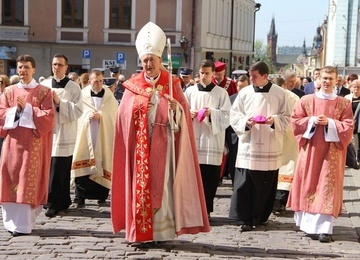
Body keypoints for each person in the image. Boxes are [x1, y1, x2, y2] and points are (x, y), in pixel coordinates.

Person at [111, 21, 210, 243]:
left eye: (152, 60)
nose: (148, 64)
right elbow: (122, 117)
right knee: (140, 188)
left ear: (160, 61)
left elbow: (183, 114)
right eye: (145, 60)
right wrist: (138, 114)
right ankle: (140, 234)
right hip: (140, 147)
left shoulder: (172, 84)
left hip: (165, 145)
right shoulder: (132, 86)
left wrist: (177, 111)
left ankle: (162, 233)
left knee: (163, 190)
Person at [288, 66, 353, 243]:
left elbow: (348, 127)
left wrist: (330, 123)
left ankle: (325, 228)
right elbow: (295, 121)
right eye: (324, 78)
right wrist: (311, 120)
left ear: (336, 81)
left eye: (331, 79)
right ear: (318, 79)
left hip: (332, 153)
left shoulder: (343, 103)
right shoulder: (306, 100)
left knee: (327, 186)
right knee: (309, 183)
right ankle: (309, 225)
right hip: (310, 151)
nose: (327, 82)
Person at [228, 61, 291, 231]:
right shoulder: (245, 93)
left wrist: (274, 121)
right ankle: (245, 218)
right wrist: (246, 123)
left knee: (265, 185)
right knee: (245, 183)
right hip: (249, 144)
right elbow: (234, 115)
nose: (251, 79)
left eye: (254, 76)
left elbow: (287, 117)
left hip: (270, 144)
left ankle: (261, 216)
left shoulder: (279, 93)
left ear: (265, 76)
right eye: (250, 76)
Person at [0, 54, 54, 236]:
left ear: (34, 70)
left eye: (26, 67)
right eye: (20, 67)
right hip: (12, 145)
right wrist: (16, 110)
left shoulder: (44, 92)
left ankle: (24, 224)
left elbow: (48, 117)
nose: (22, 71)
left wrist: (28, 108)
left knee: (26, 180)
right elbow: (1, 113)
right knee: (10, 177)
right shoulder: (8, 91)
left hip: (33, 146)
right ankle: (10, 223)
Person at [184, 59, 231, 218]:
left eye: (207, 73)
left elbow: (226, 117)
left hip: (212, 141)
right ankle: (192, 210)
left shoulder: (221, 93)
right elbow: (180, 111)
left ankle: (207, 211)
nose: (204, 76)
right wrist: (188, 113)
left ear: (213, 74)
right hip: (194, 139)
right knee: (192, 177)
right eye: (202, 73)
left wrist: (212, 113)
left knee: (210, 177)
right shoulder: (190, 92)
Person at [41, 53, 83, 218]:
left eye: (59, 65)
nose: (56, 68)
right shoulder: (44, 85)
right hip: (48, 133)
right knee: (50, 169)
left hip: (65, 133)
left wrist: (60, 103)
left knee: (61, 169)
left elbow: (79, 110)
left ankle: (58, 202)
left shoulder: (73, 87)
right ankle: (54, 201)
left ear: (66, 67)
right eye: (54, 65)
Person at [71, 70, 118, 207]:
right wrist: (88, 116)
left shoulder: (110, 98)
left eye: (100, 81)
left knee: (103, 161)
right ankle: (80, 196)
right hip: (85, 135)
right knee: (82, 159)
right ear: (89, 81)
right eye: (95, 81)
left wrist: (102, 116)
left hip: (103, 136)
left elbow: (113, 116)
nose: (98, 84)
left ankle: (101, 195)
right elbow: (78, 114)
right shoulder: (82, 96)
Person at [271, 77, 300, 214]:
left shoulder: (293, 98)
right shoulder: (269, 96)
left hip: (288, 138)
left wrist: (278, 123)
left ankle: (281, 201)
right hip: (271, 137)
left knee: (286, 169)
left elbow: (296, 119)